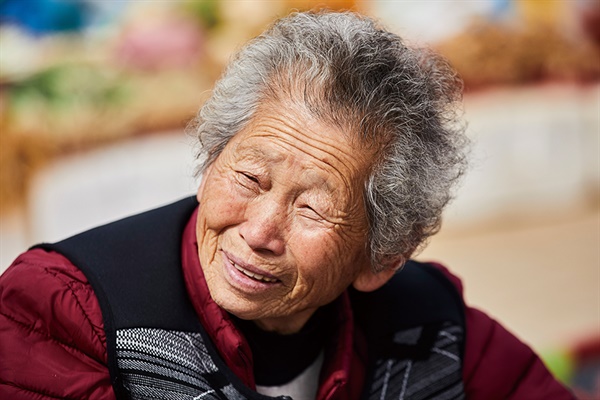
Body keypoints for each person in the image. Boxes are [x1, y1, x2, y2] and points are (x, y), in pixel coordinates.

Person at [0, 10, 574, 400]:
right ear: (210, 164)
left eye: (313, 210)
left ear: (380, 257)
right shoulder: (65, 310)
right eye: (249, 177)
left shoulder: (430, 331)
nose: (260, 231)